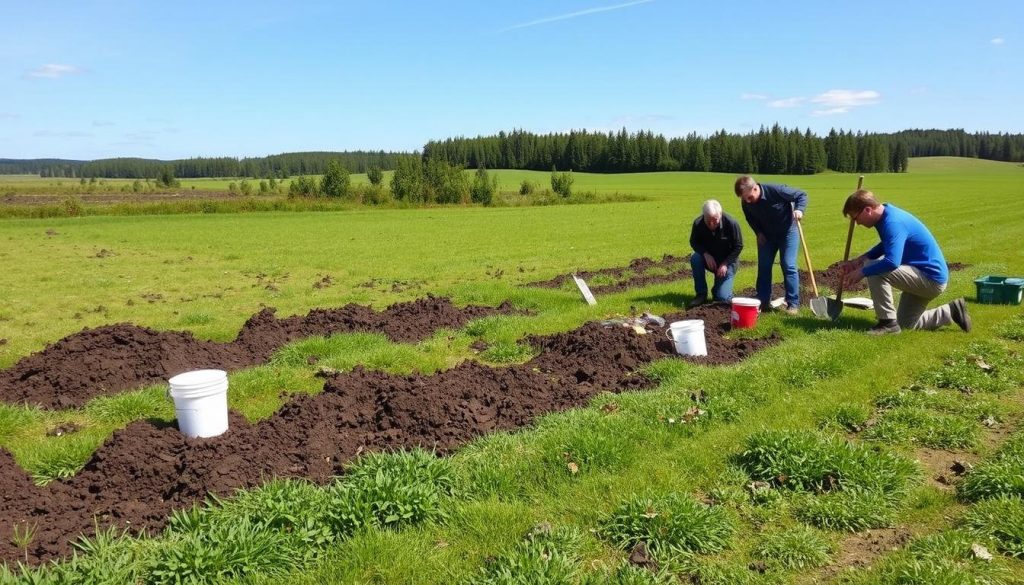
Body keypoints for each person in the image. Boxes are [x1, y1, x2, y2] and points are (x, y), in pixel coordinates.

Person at [839, 189, 971, 335]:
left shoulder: (892, 222)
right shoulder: (886, 215)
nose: (857, 223)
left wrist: (862, 271)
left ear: (868, 210)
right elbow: (886, 245)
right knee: (906, 324)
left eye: (855, 218)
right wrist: (857, 261)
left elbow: (892, 262)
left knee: (873, 267)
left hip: (930, 280)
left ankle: (887, 323)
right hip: (923, 276)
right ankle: (951, 311)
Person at [734, 175, 807, 314]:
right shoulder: (746, 202)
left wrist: (799, 209)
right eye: (744, 199)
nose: (747, 201)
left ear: (755, 188)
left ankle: (793, 304)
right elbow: (750, 218)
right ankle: (762, 301)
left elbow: (801, 195)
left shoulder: (776, 190)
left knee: (788, 265)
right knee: (764, 266)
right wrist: (758, 232)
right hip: (767, 236)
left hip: (787, 232)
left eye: (749, 197)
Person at [687, 199, 743, 307]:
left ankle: (721, 292)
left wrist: (725, 264)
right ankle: (701, 294)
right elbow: (693, 242)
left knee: (721, 298)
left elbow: (738, 246)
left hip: (728, 263)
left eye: (715, 220)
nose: (712, 224)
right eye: (708, 221)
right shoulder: (698, 223)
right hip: (709, 260)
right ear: (703, 216)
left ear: (720, 214)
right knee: (695, 258)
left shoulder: (731, 223)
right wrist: (705, 254)